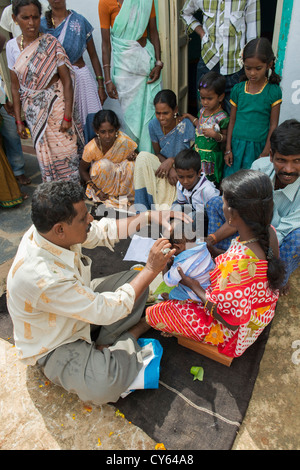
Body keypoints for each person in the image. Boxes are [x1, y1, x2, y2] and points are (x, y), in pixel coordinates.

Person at [6, 179, 192, 404]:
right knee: (104, 384)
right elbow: (104, 311)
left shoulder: (50, 233)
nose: (91, 219)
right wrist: (152, 269)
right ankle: (134, 332)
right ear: (60, 229)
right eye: (84, 218)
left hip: (77, 301)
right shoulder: (41, 276)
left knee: (137, 281)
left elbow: (105, 230)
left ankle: (105, 343)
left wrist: (150, 216)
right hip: (57, 342)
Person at [146, 169, 286, 358]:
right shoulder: (269, 232)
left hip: (235, 334)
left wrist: (193, 286)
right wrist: (214, 252)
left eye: (224, 200)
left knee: (154, 313)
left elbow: (231, 321)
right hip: (260, 314)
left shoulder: (235, 265)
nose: (221, 203)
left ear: (232, 214)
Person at [207, 119, 300, 295]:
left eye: (297, 161)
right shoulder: (260, 168)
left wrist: (244, 260)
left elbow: (278, 235)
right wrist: (211, 240)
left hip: (276, 244)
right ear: (271, 155)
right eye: (281, 160)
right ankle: (218, 261)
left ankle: (274, 283)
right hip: (250, 231)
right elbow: (240, 211)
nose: (289, 169)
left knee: (298, 239)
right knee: (215, 204)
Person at [7, 0, 84, 183]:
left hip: (57, 107)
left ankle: (73, 198)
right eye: (25, 18)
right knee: (44, 156)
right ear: (15, 19)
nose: (31, 22)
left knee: (68, 153)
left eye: (35, 17)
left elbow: (66, 81)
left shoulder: (51, 43)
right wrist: (19, 120)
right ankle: (55, 199)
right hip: (34, 111)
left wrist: (67, 116)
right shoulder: (11, 47)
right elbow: (14, 86)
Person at [98, 0, 162, 152]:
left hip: (146, 63)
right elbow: (105, 44)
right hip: (124, 68)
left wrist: (158, 63)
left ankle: (148, 158)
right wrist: (107, 79)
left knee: (150, 113)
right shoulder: (105, 3)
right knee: (130, 118)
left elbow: (153, 31)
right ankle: (134, 160)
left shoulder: (145, 1)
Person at [41, 1, 107, 144]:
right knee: (66, 124)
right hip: (57, 84)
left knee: (93, 122)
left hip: (81, 79)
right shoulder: (42, 26)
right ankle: (75, 162)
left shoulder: (79, 21)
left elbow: (94, 56)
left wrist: (101, 85)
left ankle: (93, 160)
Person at [181, 0, 260, 114]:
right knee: (205, 114)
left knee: (233, 114)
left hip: (235, 67)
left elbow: (253, 38)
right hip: (208, 62)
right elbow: (185, 13)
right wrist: (201, 32)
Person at [224, 37, 282, 177]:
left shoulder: (273, 91)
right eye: (248, 68)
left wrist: (265, 152)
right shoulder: (238, 89)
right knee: (232, 181)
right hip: (236, 146)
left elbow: (273, 125)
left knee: (252, 183)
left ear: (269, 65)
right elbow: (232, 120)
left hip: (258, 147)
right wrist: (228, 149)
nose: (252, 73)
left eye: (258, 68)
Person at [134, 89, 195, 211]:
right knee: (142, 157)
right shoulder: (153, 125)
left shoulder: (186, 125)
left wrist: (172, 162)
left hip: (183, 168)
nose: (161, 117)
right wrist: (168, 166)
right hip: (164, 164)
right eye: (158, 113)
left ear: (175, 110)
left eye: (165, 113)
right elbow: (158, 153)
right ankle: (142, 210)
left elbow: (193, 155)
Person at [79, 109, 138, 209]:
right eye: (103, 132)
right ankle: (110, 198)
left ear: (117, 129)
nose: (107, 136)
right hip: (102, 187)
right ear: (96, 131)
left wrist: (134, 155)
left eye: (111, 131)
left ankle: (124, 197)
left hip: (121, 183)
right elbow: (82, 170)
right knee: (103, 166)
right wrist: (97, 190)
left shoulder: (123, 141)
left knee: (133, 164)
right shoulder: (91, 148)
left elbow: (137, 153)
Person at [183, 71, 229, 184]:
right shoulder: (202, 111)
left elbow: (226, 137)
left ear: (220, 97)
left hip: (210, 156)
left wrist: (216, 135)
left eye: (209, 98)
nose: (205, 102)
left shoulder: (222, 117)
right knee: (197, 179)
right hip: (198, 154)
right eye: (202, 98)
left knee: (208, 181)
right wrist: (189, 116)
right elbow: (200, 124)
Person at [160, 218, 215, 303]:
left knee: (175, 293)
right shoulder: (202, 246)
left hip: (198, 294)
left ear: (177, 247)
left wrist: (164, 263)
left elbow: (169, 282)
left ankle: (171, 298)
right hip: (211, 285)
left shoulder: (181, 265)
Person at [172, 148, 220, 233]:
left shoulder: (208, 190)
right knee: (173, 209)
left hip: (207, 218)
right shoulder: (179, 185)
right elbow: (181, 204)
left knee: (195, 217)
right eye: (181, 177)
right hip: (191, 209)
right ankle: (174, 232)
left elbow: (217, 212)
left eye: (190, 177)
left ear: (199, 173)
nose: (185, 181)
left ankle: (193, 238)